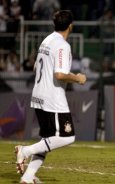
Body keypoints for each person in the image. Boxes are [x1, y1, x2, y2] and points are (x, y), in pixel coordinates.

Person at [14, 10, 87, 183]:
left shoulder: (46, 40)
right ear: (71, 26)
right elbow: (60, 75)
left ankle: (28, 177)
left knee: (47, 140)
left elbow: (35, 68)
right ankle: (24, 151)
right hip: (52, 99)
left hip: (38, 95)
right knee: (67, 137)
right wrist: (78, 78)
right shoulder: (62, 45)